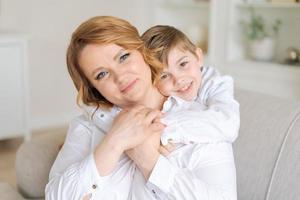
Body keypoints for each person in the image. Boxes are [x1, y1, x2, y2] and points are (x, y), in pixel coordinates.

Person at [45, 16, 237, 200]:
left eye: (123, 57)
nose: (120, 76)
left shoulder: (199, 119)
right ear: (94, 89)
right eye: (102, 74)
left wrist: (150, 162)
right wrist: (114, 142)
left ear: (143, 51)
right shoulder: (87, 127)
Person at [141, 25, 240, 146]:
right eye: (164, 76)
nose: (178, 80)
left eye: (183, 64)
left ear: (198, 57)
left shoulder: (214, 83)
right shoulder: (157, 97)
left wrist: (161, 127)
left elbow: (228, 123)